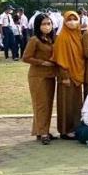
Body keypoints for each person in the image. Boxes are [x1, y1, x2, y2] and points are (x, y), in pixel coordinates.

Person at [22, 13, 58, 144]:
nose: (47, 26)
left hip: (50, 76)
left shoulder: (52, 39)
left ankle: (42, 130)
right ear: (38, 25)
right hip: (38, 76)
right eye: (44, 24)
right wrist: (42, 62)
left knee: (48, 105)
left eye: (49, 23)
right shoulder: (34, 40)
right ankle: (43, 133)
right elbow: (26, 58)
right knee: (40, 104)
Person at [53, 10, 86, 140]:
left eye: (75, 18)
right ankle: (65, 130)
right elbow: (60, 59)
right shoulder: (62, 37)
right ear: (65, 21)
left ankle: (75, 128)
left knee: (76, 103)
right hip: (67, 76)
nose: (72, 22)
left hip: (77, 74)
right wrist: (64, 76)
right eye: (69, 19)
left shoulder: (78, 36)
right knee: (66, 103)